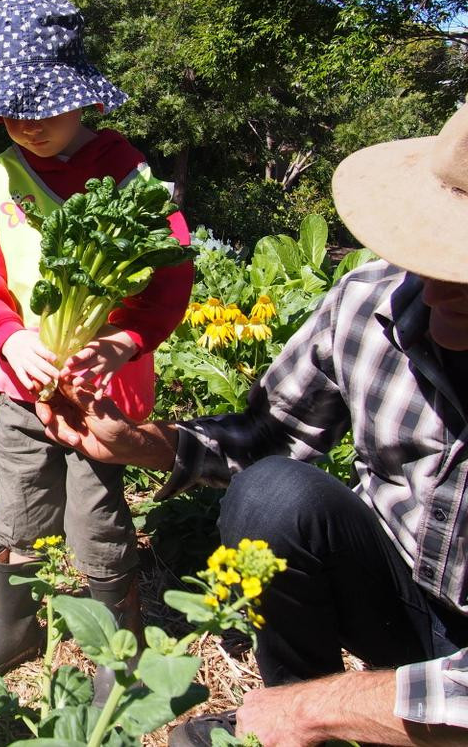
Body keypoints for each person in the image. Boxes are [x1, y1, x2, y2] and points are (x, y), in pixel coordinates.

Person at [37, 99, 468, 746]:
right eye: (431, 249)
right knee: (273, 492)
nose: (434, 288)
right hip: (403, 599)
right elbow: (268, 435)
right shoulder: (375, 300)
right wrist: (135, 442)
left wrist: (315, 710)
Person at [0, 0, 194, 681]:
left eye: (41, 107)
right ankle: (15, 626)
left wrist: (124, 341)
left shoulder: (129, 172)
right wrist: (5, 336)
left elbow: (170, 277)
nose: (26, 125)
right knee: (20, 505)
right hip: (23, 386)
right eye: (11, 112)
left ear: (83, 97)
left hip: (102, 392)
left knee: (96, 517)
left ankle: (118, 649)